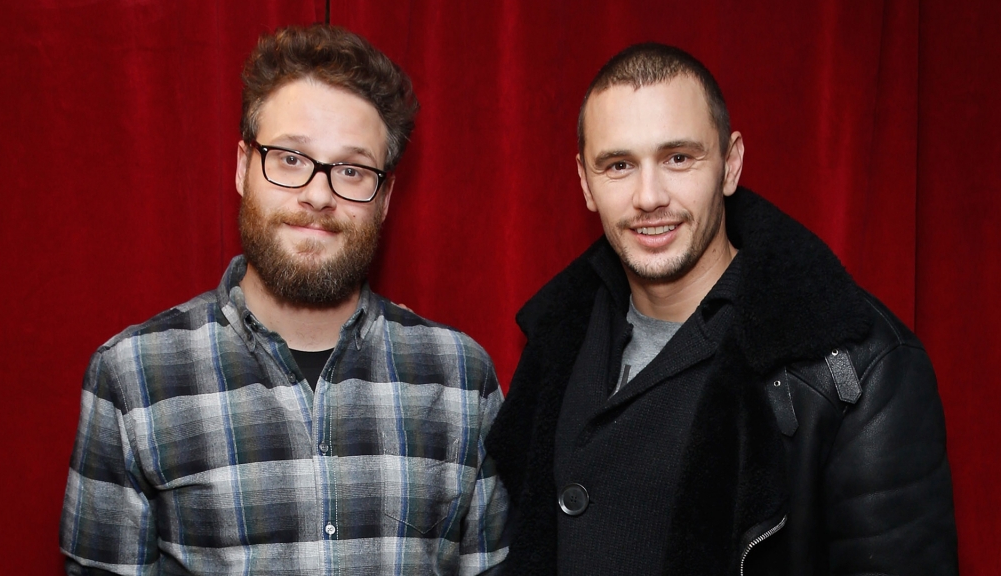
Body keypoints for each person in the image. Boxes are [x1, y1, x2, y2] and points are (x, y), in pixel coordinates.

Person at [485, 43, 957, 575]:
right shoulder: (558, 340)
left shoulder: (856, 366)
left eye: (678, 158)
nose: (648, 196)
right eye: (619, 165)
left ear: (730, 165)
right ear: (585, 183)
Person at [60, 24, 508, 575]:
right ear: (244, 166)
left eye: (351, 169)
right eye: (291, 159)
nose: (319, 194)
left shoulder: (460, 377)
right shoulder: (131, 378)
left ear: (385, 196)